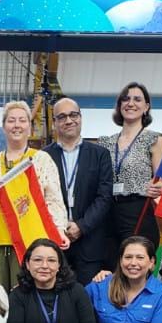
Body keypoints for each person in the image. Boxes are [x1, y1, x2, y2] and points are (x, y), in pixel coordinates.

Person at [0, 100, 68, 287]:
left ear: (30, 127)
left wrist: (60, 230)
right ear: (3, 127)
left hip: (29, 240)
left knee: (25, 293)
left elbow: (54, 200)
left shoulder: (42, 159)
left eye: (22, 120)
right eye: (11, 120)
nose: (17, 125)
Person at [42, 97, 115, 284]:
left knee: (89, 296)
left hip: (90, 243)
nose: (68, 120)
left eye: (73, 115)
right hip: (54, 241)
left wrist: (81, 227)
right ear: (54, 122)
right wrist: (58, 227)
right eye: (62, 117)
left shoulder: (100, 155)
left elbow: (104, 197)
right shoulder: (43, 156)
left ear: (81, 118)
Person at [99, 83, 162, 253]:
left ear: (146, 107)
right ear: (119, 105)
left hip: (138, 210)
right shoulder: (105, 142)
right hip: (106, 211)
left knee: (135, 262)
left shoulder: (155, 140)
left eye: (137, 99)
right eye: (126, 99)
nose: (131, 103)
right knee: (109, 262)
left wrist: (159, 186)